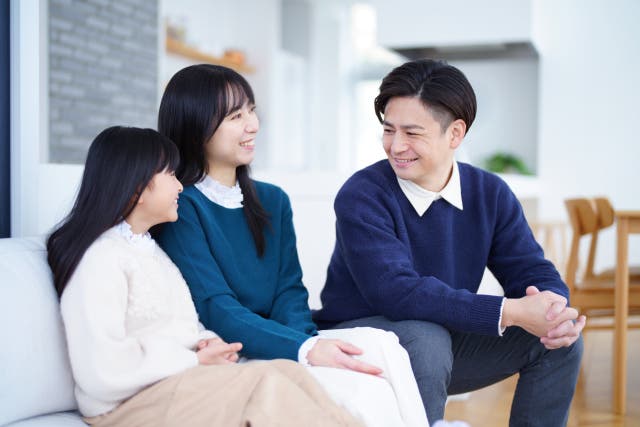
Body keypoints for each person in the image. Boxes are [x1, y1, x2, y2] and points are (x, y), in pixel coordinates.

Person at [312, 59, 586, 427]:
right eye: (389, 130)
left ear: (455, 134)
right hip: (359, 342)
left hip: (437, 341)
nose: (396, 146)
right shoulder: (363, 194)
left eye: (412, 133)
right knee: (427, 337)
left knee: (557, 341)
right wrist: (509, 311)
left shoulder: (489, 193)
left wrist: (555, 311)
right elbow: (395, 292)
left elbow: (530, 268)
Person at [155, 64, 428, 427]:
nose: (253, 125)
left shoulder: (273, 200)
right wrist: (304, 350)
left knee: (381, 345)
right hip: (235, 350)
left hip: (288, 339)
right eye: (236, 116)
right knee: (357, 384)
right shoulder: (180, 206)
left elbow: (290, 291)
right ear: (196, 125)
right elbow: (216, 308)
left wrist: (303, 346)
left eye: (251, 110)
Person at [47, 126, 361, 427]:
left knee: (289, 373)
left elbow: (183, 323)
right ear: (137, 188)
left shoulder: (150, 251)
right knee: (267, 385)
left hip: (176, 383)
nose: (180, 186)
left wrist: (205, 342)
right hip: (127, 404)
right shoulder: (100, 258)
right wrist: (192, 359)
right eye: (170, 175)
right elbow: (100, 370)